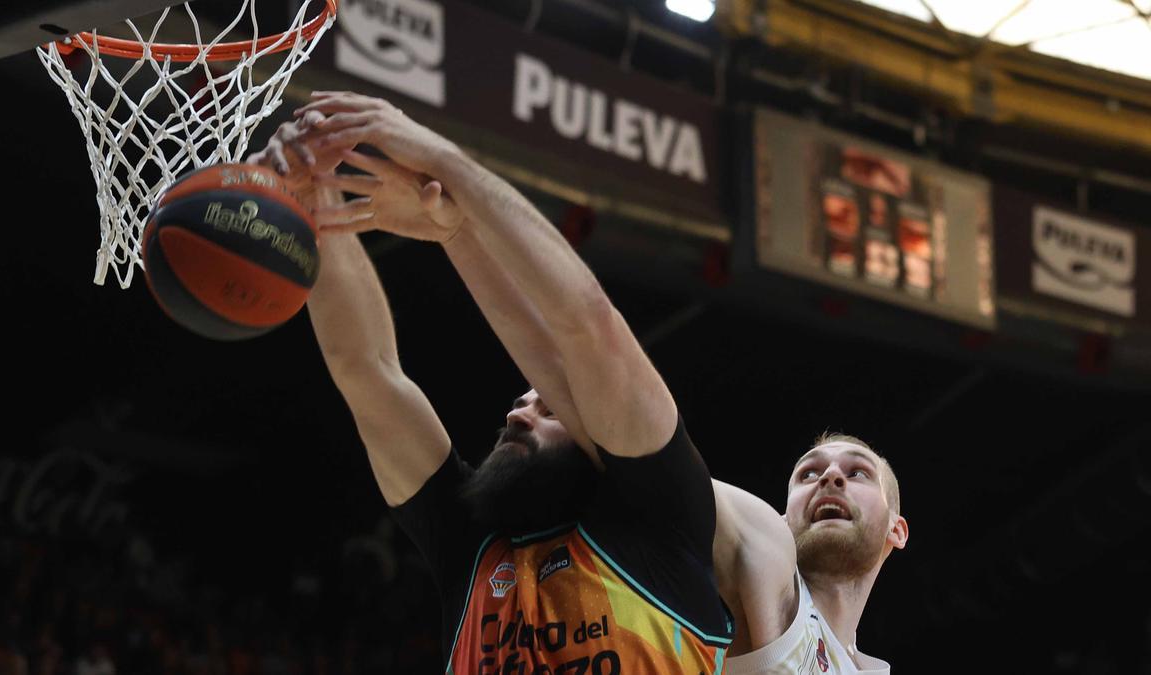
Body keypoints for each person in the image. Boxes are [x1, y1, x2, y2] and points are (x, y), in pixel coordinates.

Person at [249, 92, 733, 674]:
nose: (517, 414)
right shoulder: (471, 545)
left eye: (547, 410)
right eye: (520, 404)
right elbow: (367, 369)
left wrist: (445, 162)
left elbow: (588, 322)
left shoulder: (664, 517)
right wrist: (312, 203)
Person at [711, 433, 907, 674]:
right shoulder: (770, 559)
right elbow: (674, 466)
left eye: (857, 473)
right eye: (809, 474)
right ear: (784, 522)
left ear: (896, 530)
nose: (830, 476)